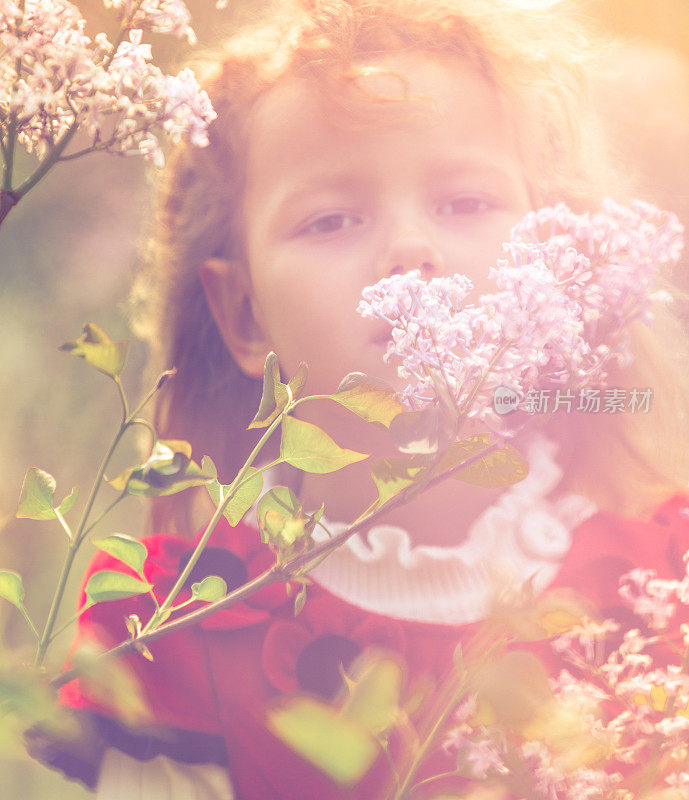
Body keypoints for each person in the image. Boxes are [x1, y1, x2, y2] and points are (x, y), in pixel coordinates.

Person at [34, 0, 689, 798]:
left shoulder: (661, 590)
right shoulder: (181, 642)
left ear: (555, 264)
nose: (412, 249)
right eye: (332, 219)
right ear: (243, 313)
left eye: (464, 203)